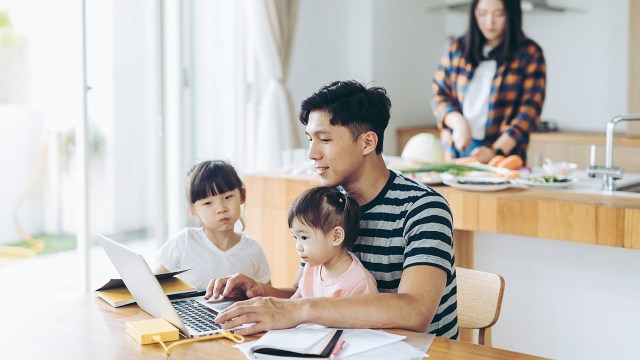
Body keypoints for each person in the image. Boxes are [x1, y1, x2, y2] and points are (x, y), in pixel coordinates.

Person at [205, 80, 458, 339]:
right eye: (310, 140)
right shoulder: (327, 205)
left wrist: (298, 309)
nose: (312, 154)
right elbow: (302, 294)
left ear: (367, 142)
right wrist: (259, 293)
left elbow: (415, 311)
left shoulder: (424, 209)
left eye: (324, 139)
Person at [431, 0, 546, 165]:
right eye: (482, 13)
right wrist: (459, 124)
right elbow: (439, 94)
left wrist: (495, 151)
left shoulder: (530, 53)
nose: (489, 22)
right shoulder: (457, 49)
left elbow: (529, 111)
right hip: (456, 149)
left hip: (503, 154)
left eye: (499, 14)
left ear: (511, 15)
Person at [154, 160, 271, 289]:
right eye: (208, 203)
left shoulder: (252, 250)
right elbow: (152, 285)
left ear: (242, 196)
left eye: (228, 197)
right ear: (193, 210)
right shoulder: (185, 241)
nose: (221, 208)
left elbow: (268, 297)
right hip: (193, 309)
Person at [288, 186, 378, 299]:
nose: (298, 247)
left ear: (336, 237)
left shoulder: (359, 283)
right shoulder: (312, 267)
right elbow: (293, 305)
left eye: (304, 237)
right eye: (295, 237)